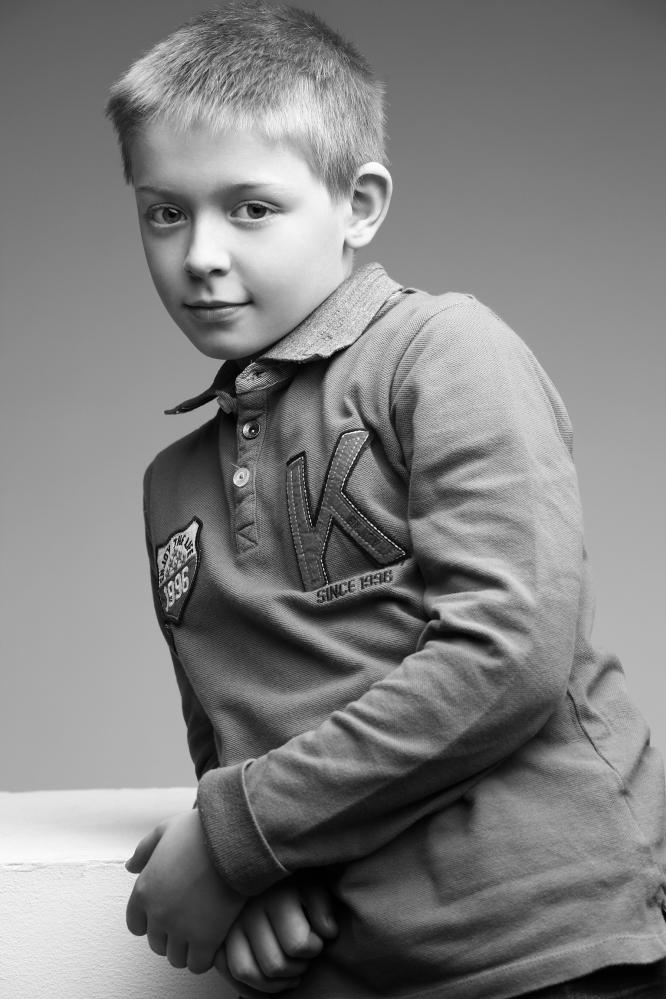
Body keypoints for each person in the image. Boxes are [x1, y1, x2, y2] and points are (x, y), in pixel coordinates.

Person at [105, 3, 666, 997]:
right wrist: (258, 878)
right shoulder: (173, 484)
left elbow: (508, 655)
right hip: (352, 969)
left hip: (559, 949)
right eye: (165, 212)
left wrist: (236, 839)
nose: (199, 254)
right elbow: (229, 731)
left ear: (358, 205)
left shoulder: (442, 353)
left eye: (251, 208)